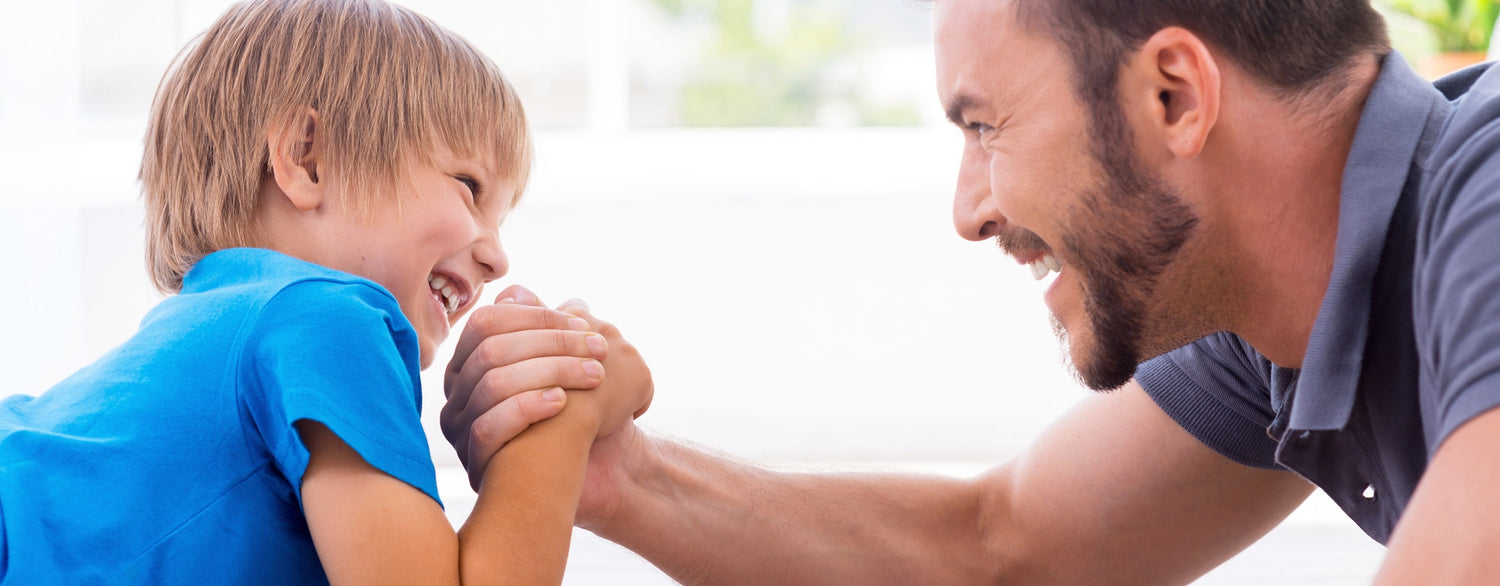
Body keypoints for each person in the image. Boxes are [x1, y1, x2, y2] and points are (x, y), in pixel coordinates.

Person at [442, 0, 1500, 583]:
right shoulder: (1274, 321)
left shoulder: (1487, 192)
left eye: (985, 126)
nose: (969, 210)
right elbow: (1002, 547)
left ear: (1173, 94)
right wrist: (613, 471)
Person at [0, 0, 651, 583]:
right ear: (306, 158)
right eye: (469, 187)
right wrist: (562, 413)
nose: (496, 256)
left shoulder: (219, 331)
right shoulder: (322, 316)